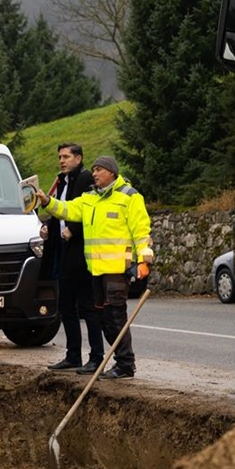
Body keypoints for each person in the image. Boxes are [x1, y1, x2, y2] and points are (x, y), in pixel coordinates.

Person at [35, 155, 153, 380]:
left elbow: (142, 232)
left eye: (99, 170)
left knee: (115, 317)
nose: (95, 174)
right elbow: (67, 210)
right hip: (96, 271)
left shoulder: (129, 197)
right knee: (102, 319)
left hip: (117, 271)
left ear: (111, 172)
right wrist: (47, 202)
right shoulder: (89, 198)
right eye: (94, 170)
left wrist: (144, 260)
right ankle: (122, 361)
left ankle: (125, 364)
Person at [38, 143, 104, 375]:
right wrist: (48, 226)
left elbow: (88, 211)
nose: (62, 161)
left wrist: (73, 230)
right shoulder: (61, 181)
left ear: (79, 158)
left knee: (87, 306)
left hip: (81, 251)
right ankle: (73, 355)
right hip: (64, 251)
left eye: (66, 157)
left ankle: (96, 356)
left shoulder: (86, 179)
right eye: (59, 157)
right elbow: (62, 210)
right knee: (66, 305)